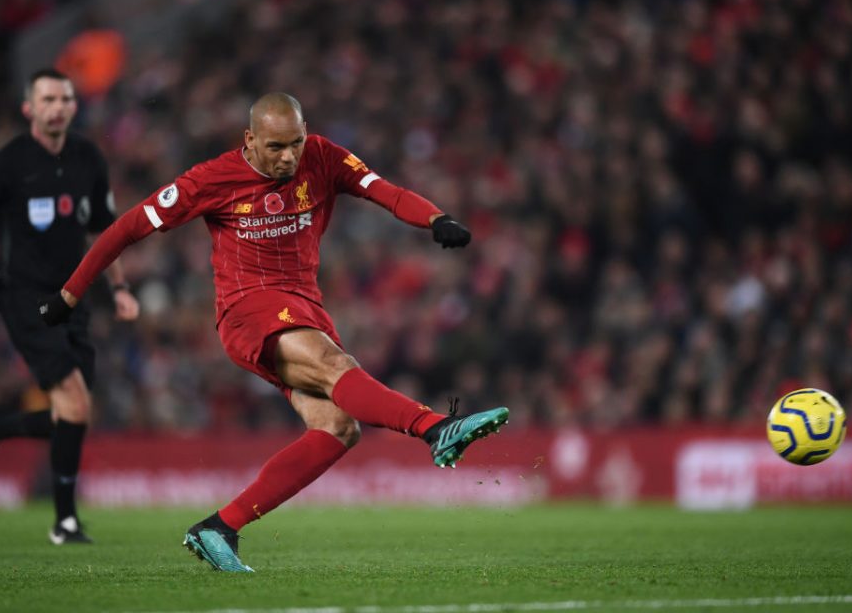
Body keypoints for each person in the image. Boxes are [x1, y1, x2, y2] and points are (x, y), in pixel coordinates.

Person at [39, 92, 508, 572]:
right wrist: (70, 295)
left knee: (337, 428)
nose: (288, 157)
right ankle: (435, 428)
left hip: (305, 306)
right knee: (334, 367)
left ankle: (219, 527)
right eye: (276, 147)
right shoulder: (211, 178)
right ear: (250, 139)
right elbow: (126, 228)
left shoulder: (323, 156)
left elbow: (383, 190)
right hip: (248, 309)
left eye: (296, 145)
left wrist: (435, 218)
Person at [0, 68, 140, 544]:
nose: (58, 106)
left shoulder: (88, 157)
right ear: (29, 108)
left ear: (74, 106)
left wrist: (119, 288)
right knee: (73, 403)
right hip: (23, 296)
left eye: (65, 98)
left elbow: (105, 234)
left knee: (73, 412)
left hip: (76, 295)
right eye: (48, 98)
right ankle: (65, 521)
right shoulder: (8, 163)